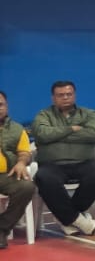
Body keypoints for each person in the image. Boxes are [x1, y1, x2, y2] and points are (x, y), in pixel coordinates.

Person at [31, 81, 95, 236]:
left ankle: (65, 218)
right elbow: (42, 134)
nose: (65, 97)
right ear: (53, 98)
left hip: (84, 162)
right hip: (52, 164)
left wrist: (57, 136)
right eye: (60, 95)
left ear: (74, 95)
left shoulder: (88, 114)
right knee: (44, 179)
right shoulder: (43, 115)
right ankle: (79, 220)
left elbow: (94, 134)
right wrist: (71, 129)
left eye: (69, 94)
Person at [0, 91, 38, 249]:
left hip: (7, 175)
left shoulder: (17, 129)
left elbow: (24, 152)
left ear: (6, 107)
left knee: (26, 187)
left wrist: (22, 163)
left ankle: (2, 228)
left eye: (0, 105)